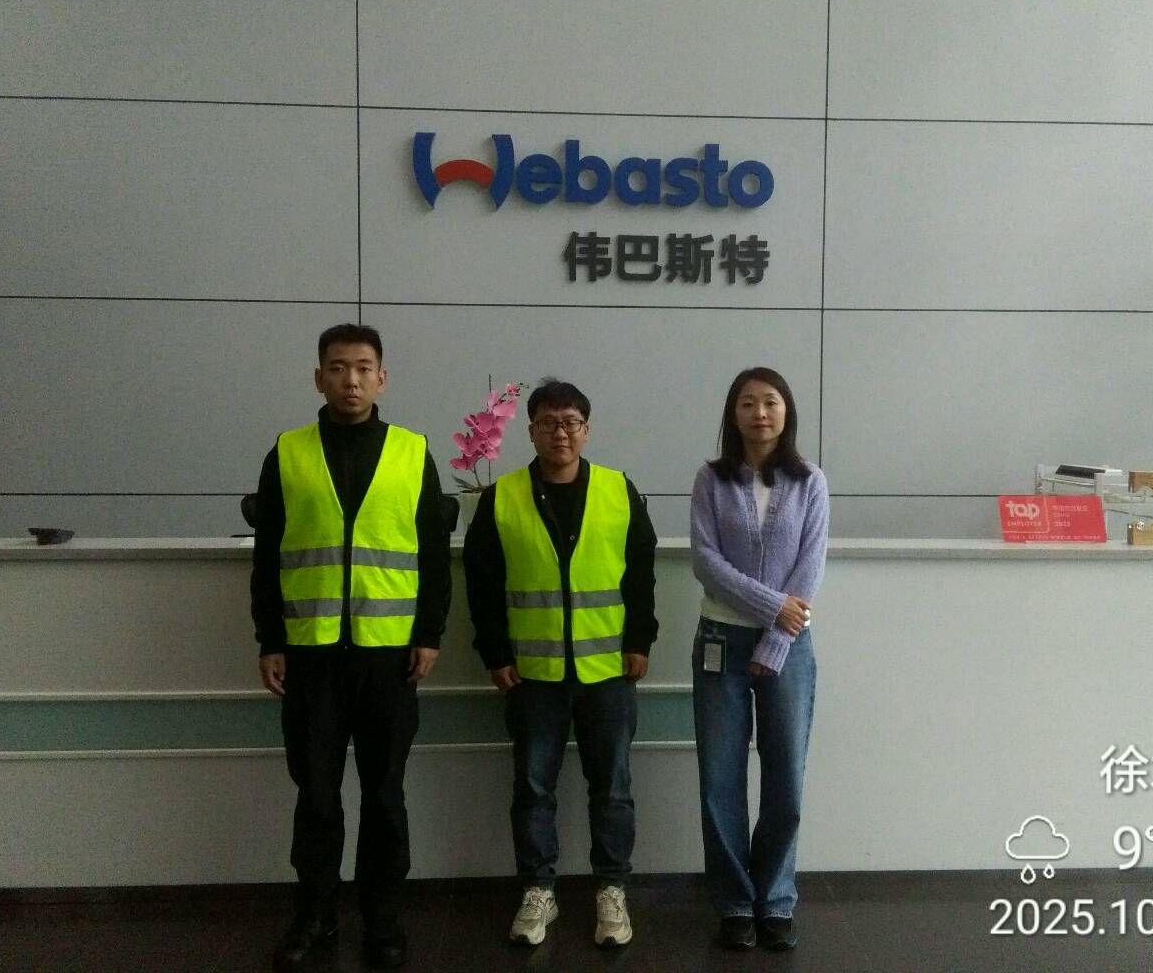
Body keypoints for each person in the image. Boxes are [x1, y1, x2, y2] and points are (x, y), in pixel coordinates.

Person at [250, 323, 451, 971]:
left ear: (382, 378)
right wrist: (270, 639)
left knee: (385, 797)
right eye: (338, 368)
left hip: (390, 658)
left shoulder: (413, 453)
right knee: (316, 797)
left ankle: (383, 919)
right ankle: (315, 916)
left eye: (364, 368)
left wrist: (429, 632)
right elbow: (267, 555)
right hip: (310, 657)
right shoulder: (288, 453)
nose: (351, 380)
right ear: (319, 378)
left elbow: (433, 553)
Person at [464, 378, 658, 949]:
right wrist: (495, 653)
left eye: (571, 422)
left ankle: (611, 890)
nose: (560, 433)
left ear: (587, 430)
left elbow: (640, 574)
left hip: (608, 672)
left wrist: (640, 641)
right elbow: (482, 584)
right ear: (531, 431)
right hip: (533, 674)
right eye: (548, 423)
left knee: (613, 789)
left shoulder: (619, 491)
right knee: (533, 788)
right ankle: (538, 891)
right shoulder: (502, 497)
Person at [689, 367, 828, 952]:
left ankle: (775, 899)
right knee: (720, 779)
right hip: (720, 640)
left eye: (770, 402)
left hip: (788, 649)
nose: (760, 413)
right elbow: (705, 561)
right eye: (747, 403)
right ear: (733, 414)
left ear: (786, 411)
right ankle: (734, 902)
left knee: (785, 778)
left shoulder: (810, 480)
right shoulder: (711, 478)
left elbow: (810, 565)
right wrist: (774, 608)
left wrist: (774, 641)